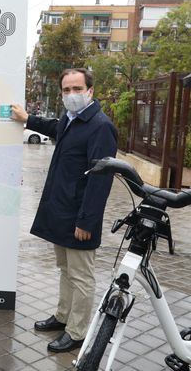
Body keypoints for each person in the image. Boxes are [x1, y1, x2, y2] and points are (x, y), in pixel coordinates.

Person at [10, 68, 117, 353]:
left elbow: (101, 179)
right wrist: (27, 119)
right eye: (66, 90)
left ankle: (78, 332)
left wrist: (87, 221)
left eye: (77, 88)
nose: (71, 94)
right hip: (62, 213)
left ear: (90, 91)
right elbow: (52, 127)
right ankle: (63, 316)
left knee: (81, 276)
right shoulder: (71, 121)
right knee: (65, 269)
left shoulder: (100, 125)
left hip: (80, 218)